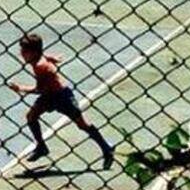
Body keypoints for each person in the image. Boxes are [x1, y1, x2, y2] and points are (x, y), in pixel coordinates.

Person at [8, 33, 114, 169]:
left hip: (61, 96)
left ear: (34, 52)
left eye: (25, 51)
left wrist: (20, 88)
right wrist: (52, 57)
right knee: (31, 116)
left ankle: (106, 148)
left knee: (82, 124)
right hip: (49, 96)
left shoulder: (41, 67)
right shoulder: (38, 59)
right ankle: (41, 147)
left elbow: (39, 90)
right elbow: (44, 56)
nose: (22, 54)